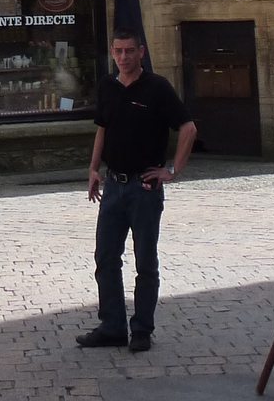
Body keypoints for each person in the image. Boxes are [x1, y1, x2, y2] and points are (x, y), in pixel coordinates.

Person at [77, 30, 197, 352]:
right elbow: (102, 128)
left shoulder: (157, 88)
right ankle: (112, 326)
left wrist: (171, 170)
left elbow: (188, 128)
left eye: (130, 51)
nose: (123, 57)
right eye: (118, 51)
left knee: (145, 261)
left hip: (145, 188)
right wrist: (92, 169)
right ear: (112, 53)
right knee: (105, 258)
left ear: (141, 51)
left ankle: (142, 329)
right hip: (113, 187)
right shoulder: (107, 87)